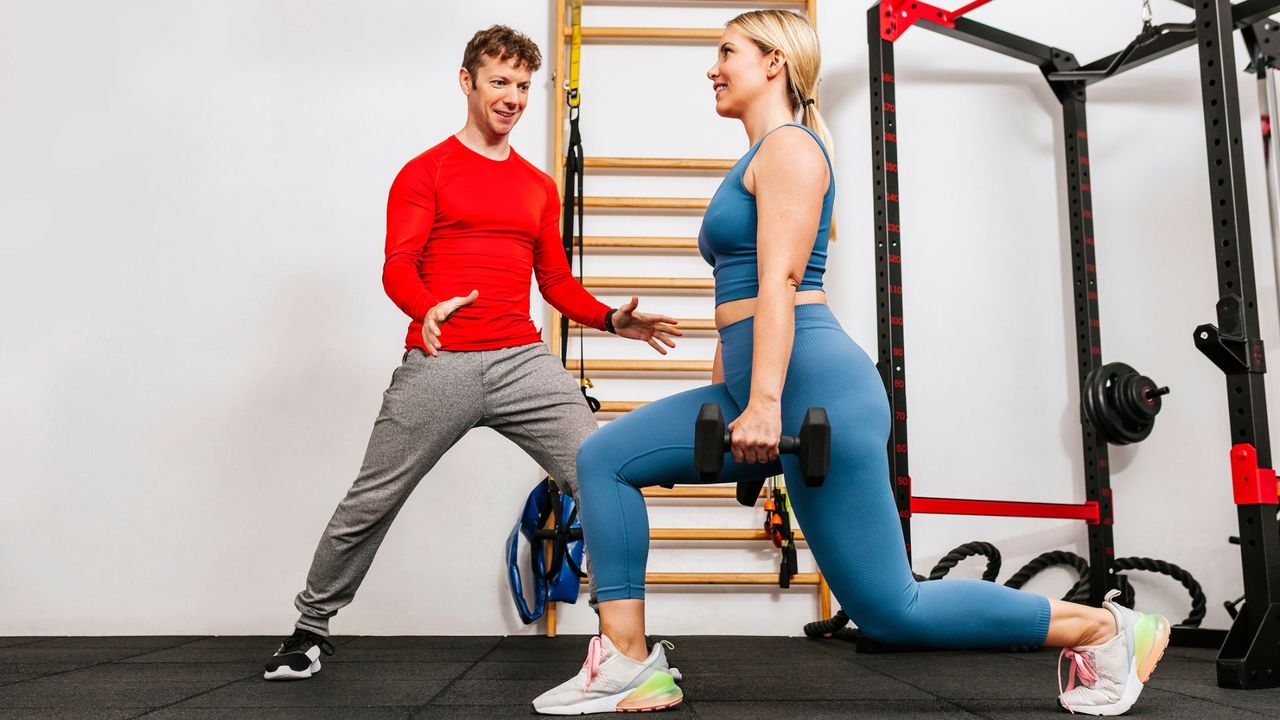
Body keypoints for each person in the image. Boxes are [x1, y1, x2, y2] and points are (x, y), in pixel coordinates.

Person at [531, 9, 1169, 717]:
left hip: (816, 391)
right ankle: (625, 662)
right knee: (605, 459)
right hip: (769, 384)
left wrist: (766, 403)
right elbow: (737, 295)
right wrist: (732, 398)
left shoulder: (793, 149)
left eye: (727, 52)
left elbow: (779, 284)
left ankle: (1108, 629)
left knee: (894, 611)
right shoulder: (759, 154)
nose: (712, 68)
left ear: (774, 62)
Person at [263, 25, 682, 681]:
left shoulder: (538, 186)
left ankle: (619, 642)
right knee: (371, 501)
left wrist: (608, 318)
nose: (512, 97)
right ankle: (308, 630)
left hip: (523, 361)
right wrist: (423, 306)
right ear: (468, 82)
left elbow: (556, 283)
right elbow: (397, 263)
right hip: (442, 362)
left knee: (603, 475)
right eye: (499, 82)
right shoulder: (425, 171)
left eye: (521, 85)